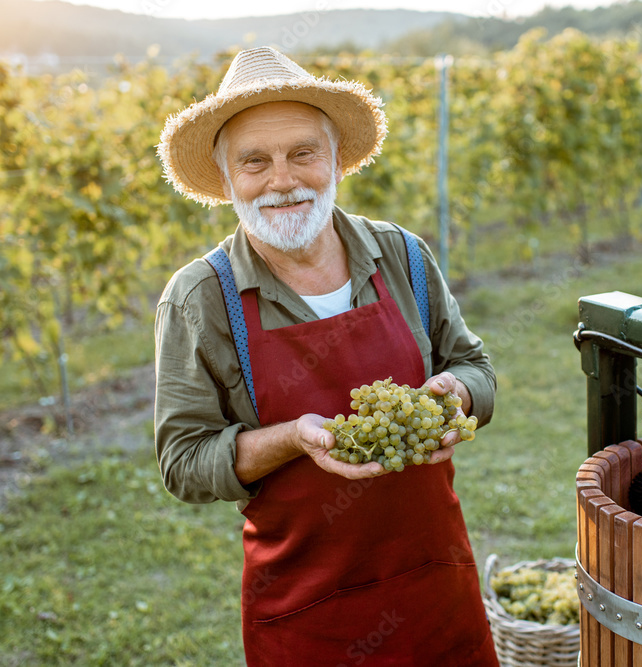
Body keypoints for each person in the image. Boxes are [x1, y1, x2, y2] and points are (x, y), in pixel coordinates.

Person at [153, 46, 499, 666]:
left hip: (435, 584)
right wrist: (292, 438)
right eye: (254, 161)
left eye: (303, 154)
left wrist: (460, 396)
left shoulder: (403, 256)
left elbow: (474, 366)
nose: (282, 180)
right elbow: (183, 461)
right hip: (307, 612)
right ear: (227, 177)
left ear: (336, 158)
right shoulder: (201, 297)